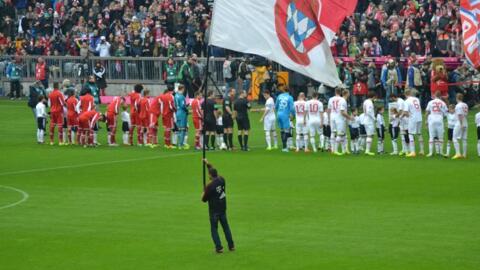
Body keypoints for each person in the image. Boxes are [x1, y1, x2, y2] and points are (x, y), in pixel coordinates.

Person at [201, 159, 235, 254]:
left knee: (214, 229)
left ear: (210, 175)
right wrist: (207, 164)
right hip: (222, 208)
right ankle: (231, 245)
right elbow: (213, 170)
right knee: (226, 227)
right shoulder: (222, 179)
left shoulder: (209, 186)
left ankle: (219, 247)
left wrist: (203, 192)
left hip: (214, 211)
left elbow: (203, 200)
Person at [328, 88, 350, 155]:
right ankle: (338, 149)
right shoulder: (342, 99)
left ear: (335, 92)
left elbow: (329, 109)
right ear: (340, 92)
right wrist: (349, 117)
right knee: (341, 133)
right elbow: (342, 110)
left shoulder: (331, 99)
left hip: (332, 116)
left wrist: (329, 119)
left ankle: (333, 149)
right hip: (339, 117)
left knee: (332, 132)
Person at [425, 91, 447, 157]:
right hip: (439, 119)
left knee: (431, 137)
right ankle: (441, 152)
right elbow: (446, 114)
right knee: (440, 137)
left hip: (432, 120)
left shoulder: (430, 102)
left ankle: (430, 153)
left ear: (434, 95)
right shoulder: (443, 103)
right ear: (440, 96)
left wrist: (426, 121)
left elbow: (427, 112)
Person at [403, 89, 424, 157]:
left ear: (405, 95)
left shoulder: (406, 101)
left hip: (413, 118)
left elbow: (406, 112)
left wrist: (404, 116)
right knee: (419, 133)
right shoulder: (416, 99)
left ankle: (413, 152)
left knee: (410, 134)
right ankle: (422, 150)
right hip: (419, 117)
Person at [275, 84, 294, 152]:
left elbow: (276, 106)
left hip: (279, 114)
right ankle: (284, 147)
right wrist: (293, 115)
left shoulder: (279, 96)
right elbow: (292, 108)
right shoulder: (290, 97)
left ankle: (284, 147)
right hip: (285, 115)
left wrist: (278, 111)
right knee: (286, 131)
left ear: (283, 90)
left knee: (282, 130)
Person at [452, 93, 469, 159]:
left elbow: (460, 115)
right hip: (465, 122)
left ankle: (458, 153)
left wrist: (461, 124)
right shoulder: (465, 104)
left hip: (459, 123)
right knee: (464, 139)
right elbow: (466, 114)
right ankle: (464, 154)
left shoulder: (458, 105)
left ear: (457, 98)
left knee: (454, 137)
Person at [362, 91, 376, 156]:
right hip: (369, 121)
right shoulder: (370, 102)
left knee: (369, 135)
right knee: (370, 135)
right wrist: (374, 118)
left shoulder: (365, 101)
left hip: (365, 120)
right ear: (373, 96)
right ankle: (367, 150)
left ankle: (367, 150)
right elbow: (368, 111)